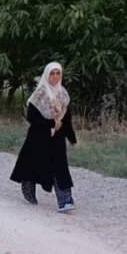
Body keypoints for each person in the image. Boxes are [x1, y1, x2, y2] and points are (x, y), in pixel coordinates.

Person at [10, 62, 77, 212]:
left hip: (57, 137)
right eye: (52, 74)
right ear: (47, 75)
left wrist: (71, 137)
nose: (55, 76)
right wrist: (51, 123)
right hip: (39, 136)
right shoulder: (39, 94)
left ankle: (65, 199)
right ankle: (28, 190)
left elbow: (66, 119)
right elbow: (32, 117)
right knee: (33, 164)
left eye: (57, 73)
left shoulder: (63, 94)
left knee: (59, 167)